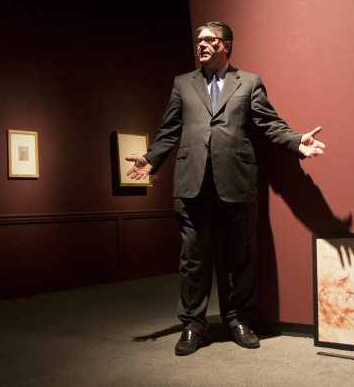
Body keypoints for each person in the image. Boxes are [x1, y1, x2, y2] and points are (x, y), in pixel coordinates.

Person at [125, 21, 325, 356]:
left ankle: (239, 320)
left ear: (226, 45)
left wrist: (295, 141)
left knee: (241, 257)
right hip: (192, 183)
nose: (201, 45)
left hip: (237, 181)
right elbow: (169, 129)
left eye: (209, 40)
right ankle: (193, 325)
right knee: (193, 259)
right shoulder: (182, 83)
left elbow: (269, 123)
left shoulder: (249, 82)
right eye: (198, 40)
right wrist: (151, 159)